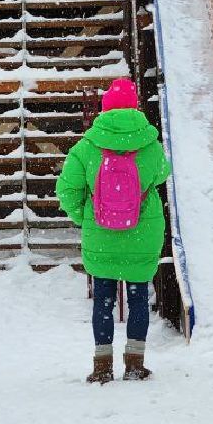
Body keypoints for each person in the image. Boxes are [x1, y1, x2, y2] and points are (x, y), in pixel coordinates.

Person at [56, 77, 172, 383]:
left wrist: (85, 217)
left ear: (104, 110)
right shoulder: (150, 145)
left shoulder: (86, 147)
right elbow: (162, 174)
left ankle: (102, 365)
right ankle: (135, 364)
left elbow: (67, 189)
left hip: (101, 236)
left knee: (104, 300)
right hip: (141, 234)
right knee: (137, 299)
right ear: (135, 108)